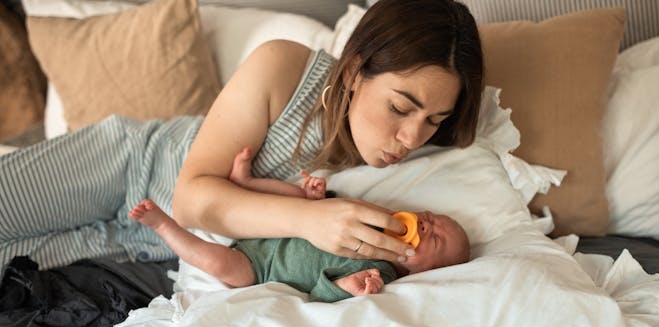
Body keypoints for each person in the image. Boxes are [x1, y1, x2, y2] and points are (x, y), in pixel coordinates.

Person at [0, 0, 483, 276]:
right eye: (401, 107)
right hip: (129, 166)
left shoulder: (418, 172)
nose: (410, 137)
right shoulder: (286, 68)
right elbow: (191, 197)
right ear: (356, 71)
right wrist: (308, 218)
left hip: (152, 248)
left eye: (434, 120)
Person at [128, 147, 471, 302]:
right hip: (278, 227)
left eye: (436, 238)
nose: (429, 223)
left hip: (259, 267)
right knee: (292, 196)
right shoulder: (380, 217)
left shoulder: (379, 272)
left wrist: (349, 286)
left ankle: (163, 227)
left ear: (422, 272)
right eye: (433, 218)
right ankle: (244, 183)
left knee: (218, 262)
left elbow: (320, 294)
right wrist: (316, 197)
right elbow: (333, 213)